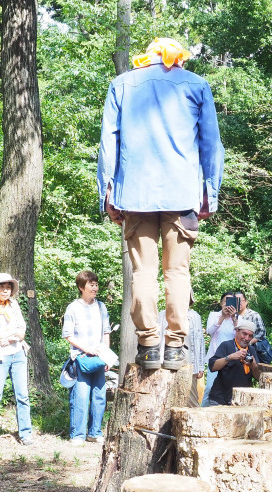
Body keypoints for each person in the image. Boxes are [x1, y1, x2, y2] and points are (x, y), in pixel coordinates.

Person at [98, 37, 225, 372]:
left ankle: (149, 345)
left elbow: (108, 142)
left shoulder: (122, 84)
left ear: (148, 57)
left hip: (135, 195)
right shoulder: (196, 85)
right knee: (177, 271)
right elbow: (211, 144)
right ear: (178, 58)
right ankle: (175, 347)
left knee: (143, 271)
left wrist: (107, 192)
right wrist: (210, 193)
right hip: (182, 195)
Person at [62, 270, 111, 445]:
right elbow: (68, 335)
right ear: (81, 287)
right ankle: (78, 435)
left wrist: (106, 356)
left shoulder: (101, 307)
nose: (95, 288)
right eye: (91, 285)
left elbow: (106, 332)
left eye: (96, 284)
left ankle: (95, 432)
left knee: (99, 396)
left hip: (98, 359)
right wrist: (87, 349)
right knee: (80, 397)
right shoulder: (73, 308)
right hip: (80, 358)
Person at [0, 272, 33, 447]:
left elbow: (22, 329)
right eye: (2, 287)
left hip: (18, 353)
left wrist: (12, 336)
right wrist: (11, 335)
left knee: (22, 395)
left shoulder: (14, 305)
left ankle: (26, 433)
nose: (6, 291)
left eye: (8, 288)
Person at [158, 297, 205, 406]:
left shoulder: (194, 316)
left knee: (191, 401)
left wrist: (201, 366)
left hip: (190, 365)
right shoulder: (162, 315)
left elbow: (200, 341)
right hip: (166, 363)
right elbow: (158, 338)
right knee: (165, 399)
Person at [208, 319, 261, 405]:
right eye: (244, 334)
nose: (247, 338)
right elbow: (213, 367)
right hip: (220, 398)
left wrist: (253, 365)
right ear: (237, 331)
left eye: (250, 336)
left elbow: (259, 377)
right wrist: (230, 357)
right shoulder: (226, 345)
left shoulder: (251, 350)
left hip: (242, 400)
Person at [202, 291, 241, 406]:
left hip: (232, 358)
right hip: (215, 357)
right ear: (221, 303)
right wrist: (222, 317)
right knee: (209, 388)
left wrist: (234, 318)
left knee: (229, 390)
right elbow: (209, 331)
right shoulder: (214, 315)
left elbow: (240, 335)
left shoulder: (239, 318)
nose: (228, 305)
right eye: (226, 301)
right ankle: (203, 411)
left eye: (231, 302)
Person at [236, 291, 271, 361]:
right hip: (236, 350)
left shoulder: (253, 315)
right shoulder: (232, 316)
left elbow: (262, 332)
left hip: (252, 350)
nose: (238, 303)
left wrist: (249, 343)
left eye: (240, 300)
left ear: (246, 302)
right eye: (236, 301)